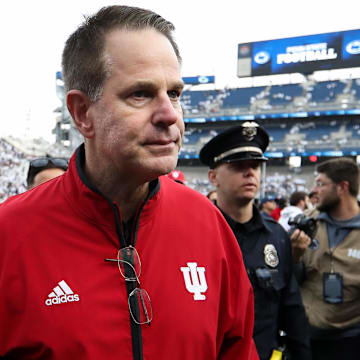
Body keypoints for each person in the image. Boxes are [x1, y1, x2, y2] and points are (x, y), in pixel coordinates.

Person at [0, 6, 258, 360]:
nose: (169, 114)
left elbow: (239, 349)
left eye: (175, 93)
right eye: (141, 94)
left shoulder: (208, 224)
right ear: (81, 113)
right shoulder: (9, 234)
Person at [200, 122, 311, 360]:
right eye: (238, 166)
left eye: (255, 166)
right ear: (213, 177)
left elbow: (291, 309)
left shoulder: (276, 236)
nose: (250, 172)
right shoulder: (196, 234)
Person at [291, 158, 360, 360]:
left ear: (342, 187)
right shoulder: (307, 222)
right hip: (307, 337)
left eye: (321, 184)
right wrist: (294, 255)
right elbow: (288, 281)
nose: (314, 190)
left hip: (350, 340)